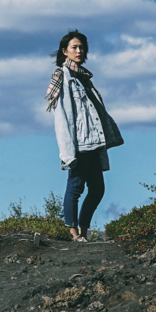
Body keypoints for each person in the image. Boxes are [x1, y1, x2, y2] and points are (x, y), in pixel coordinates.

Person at [44, 29, 123, 241]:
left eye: (81, 47)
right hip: (79, 144)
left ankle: (84, 230)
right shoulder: (63, 77)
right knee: (75, 187)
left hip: (94, 143)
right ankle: (72, 233)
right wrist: (68, 151)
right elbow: (63, 117)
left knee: (97, 189)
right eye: (74, 47)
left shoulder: (83, 78)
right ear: (64, 51)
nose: (79, 51)